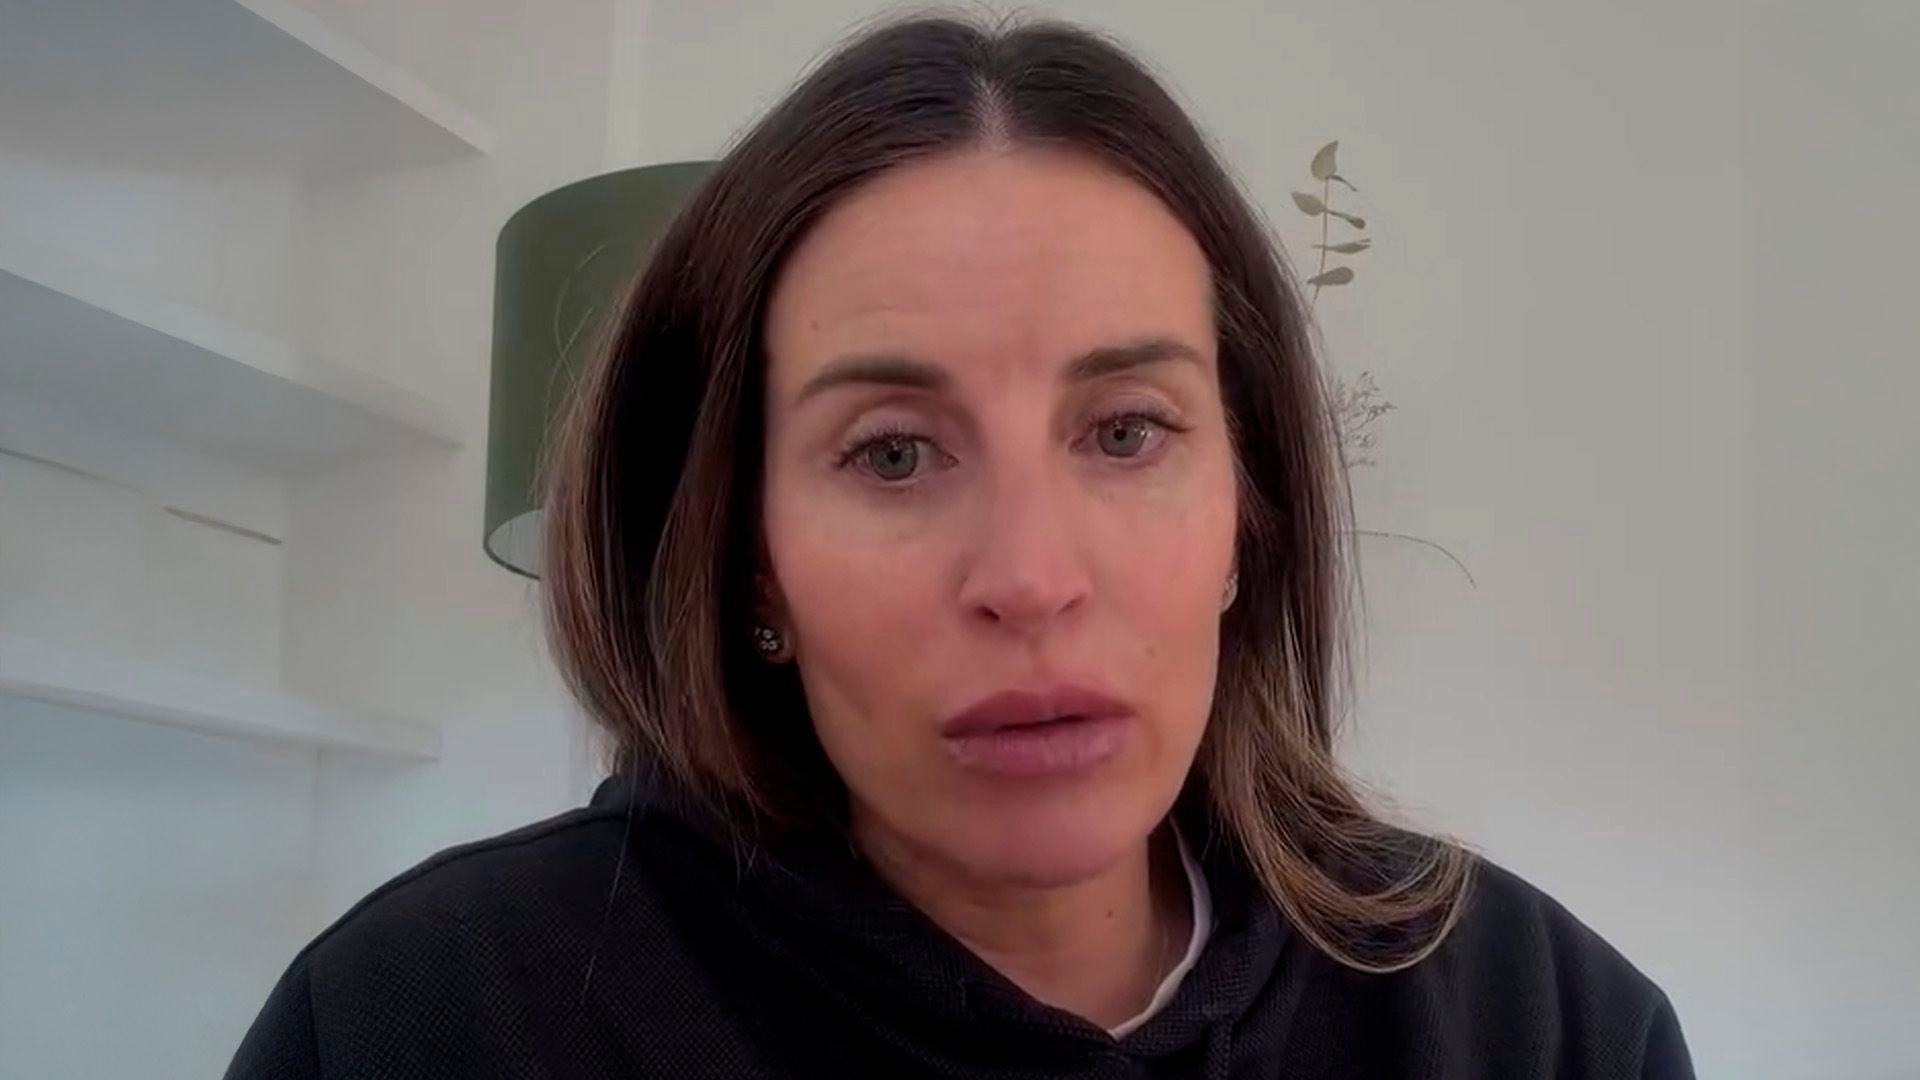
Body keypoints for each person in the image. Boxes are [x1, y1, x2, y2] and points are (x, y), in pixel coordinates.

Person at [227, 15, 1691, 1078]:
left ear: (1247, 515)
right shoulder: (429, 1020)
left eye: (1127, 431)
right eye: (892, 453)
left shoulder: (1546, 1024)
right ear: (749, 557)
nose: (1030, 578)